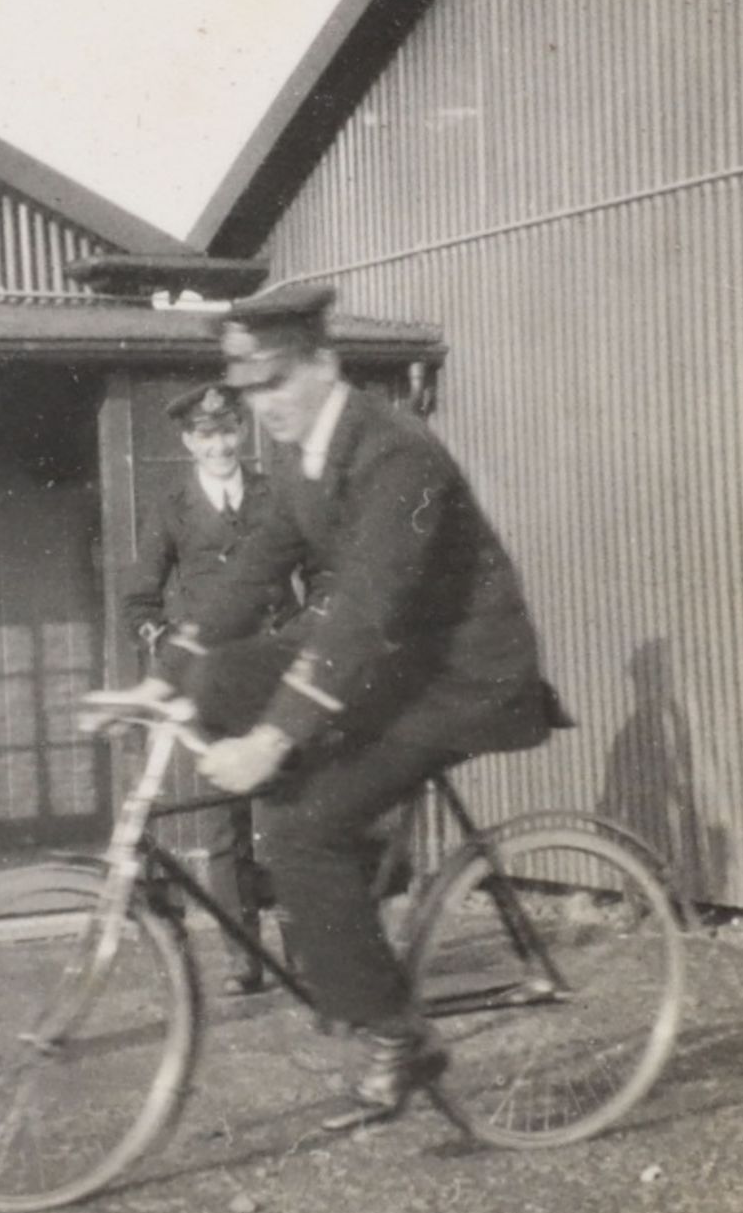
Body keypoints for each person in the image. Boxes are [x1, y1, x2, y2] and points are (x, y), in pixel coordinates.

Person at [155, 282, 573, 1128]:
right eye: (248, 391)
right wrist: (163, 674)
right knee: (218, 681)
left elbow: (362, 613)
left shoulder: (394, 452)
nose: (261, 406)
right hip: (394, 664)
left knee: (298, 830)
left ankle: (398, 1034)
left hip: (459, 678)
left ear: (326, 363)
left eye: (275, 382)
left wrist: (275, 739)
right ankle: (344, 878)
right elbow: (252, 572)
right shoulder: (305, 457)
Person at [119, 382, 292, 994]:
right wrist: (174, 650)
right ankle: (245, 959)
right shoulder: (172, 508)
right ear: (189, 442)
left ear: (241, 433)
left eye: (228, 431)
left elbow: (319, 571)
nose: (219, 444)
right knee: (225, 828)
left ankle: (304, 955)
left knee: (288, 816)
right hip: (215, 683)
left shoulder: (277, 496)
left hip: (277, 678)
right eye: (206, 435)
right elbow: (140, 597)